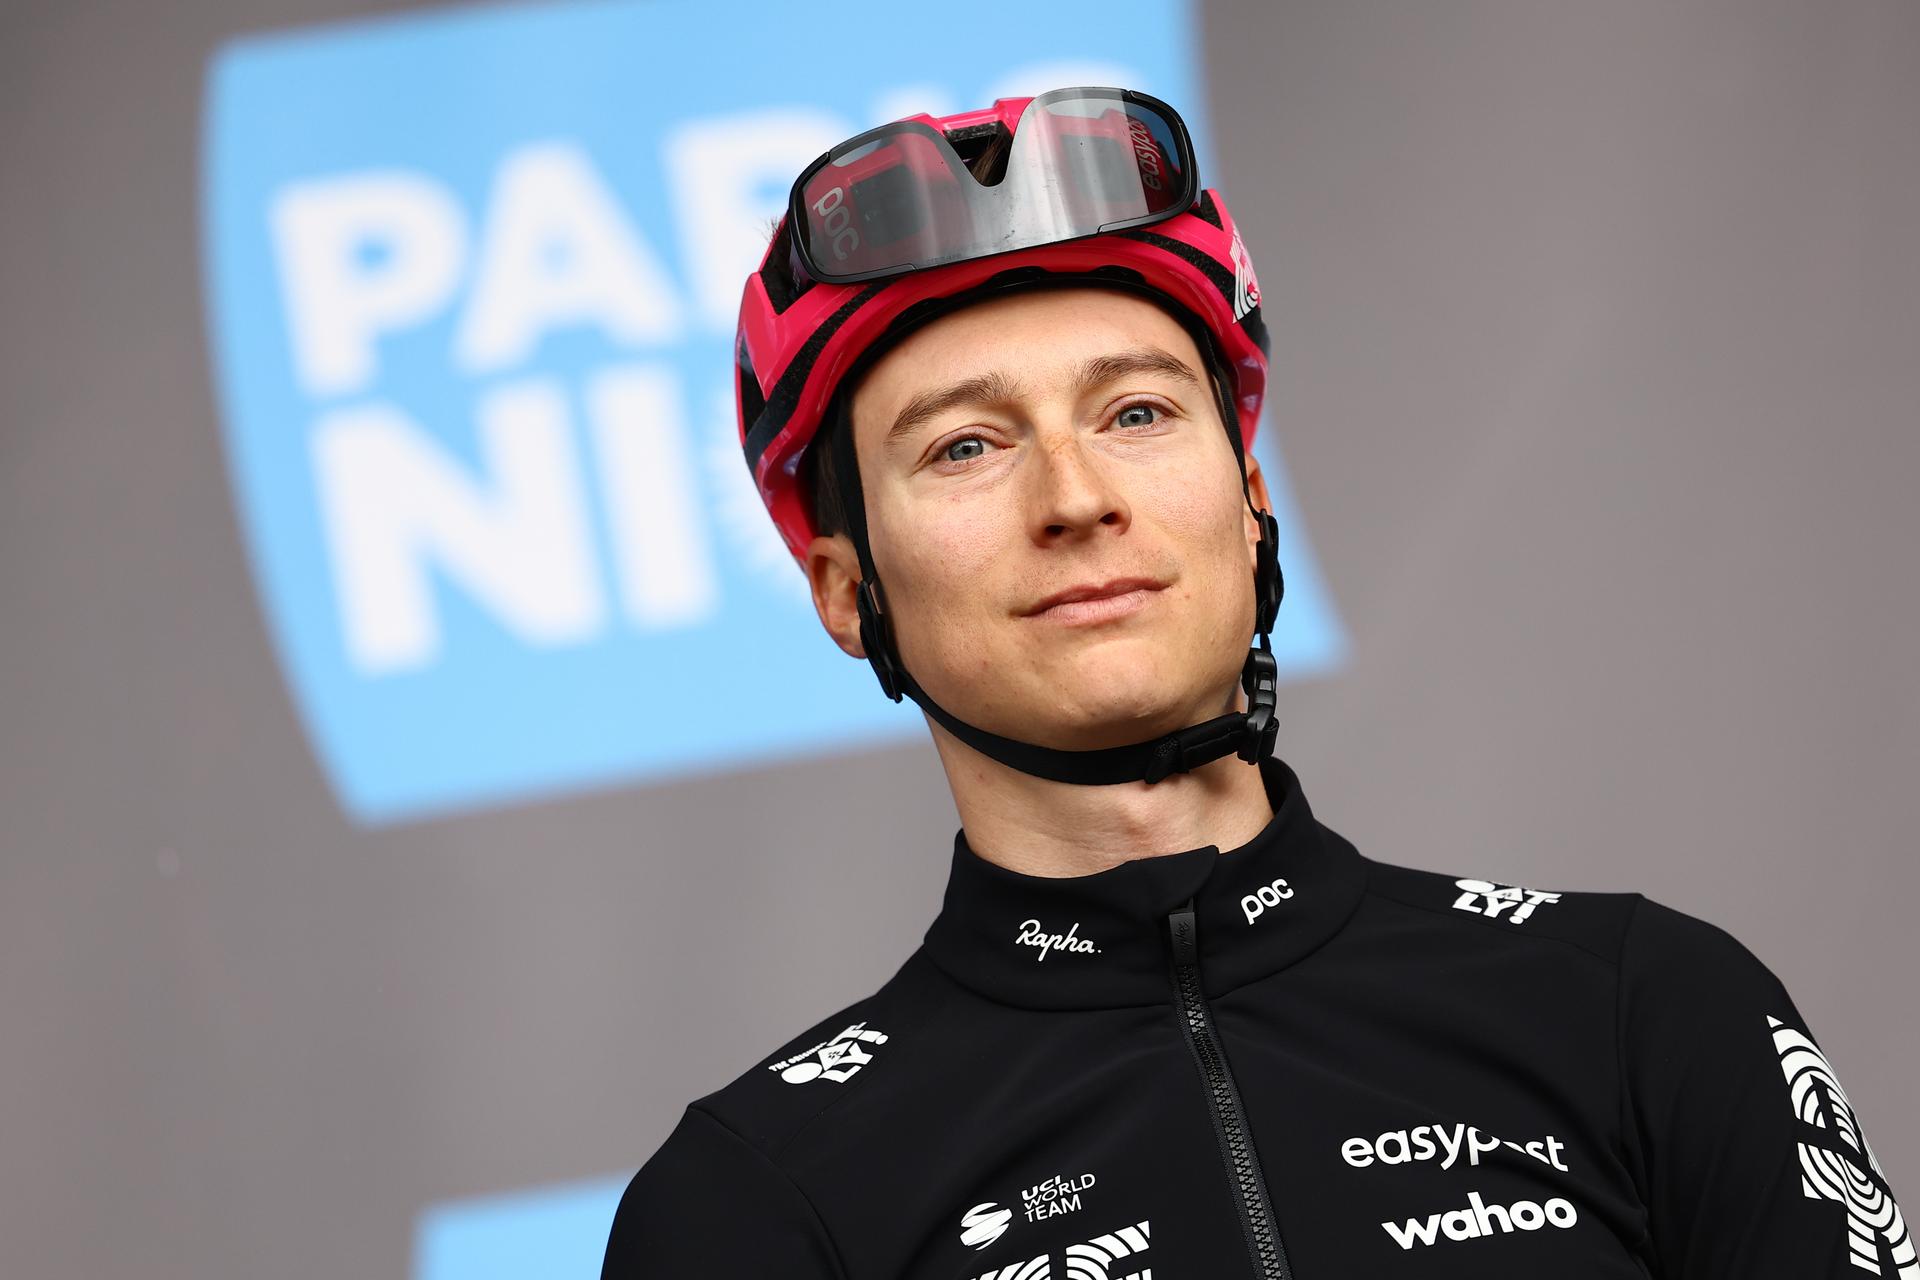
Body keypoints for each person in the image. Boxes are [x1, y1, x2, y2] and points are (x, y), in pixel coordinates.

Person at [601, 87, 1910, 1279]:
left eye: (1136, 413)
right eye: (965, 446)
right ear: (846, 591)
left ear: (1252, 507)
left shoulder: (1642, 1008)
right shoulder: (747, 1203)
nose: (1077, 497)